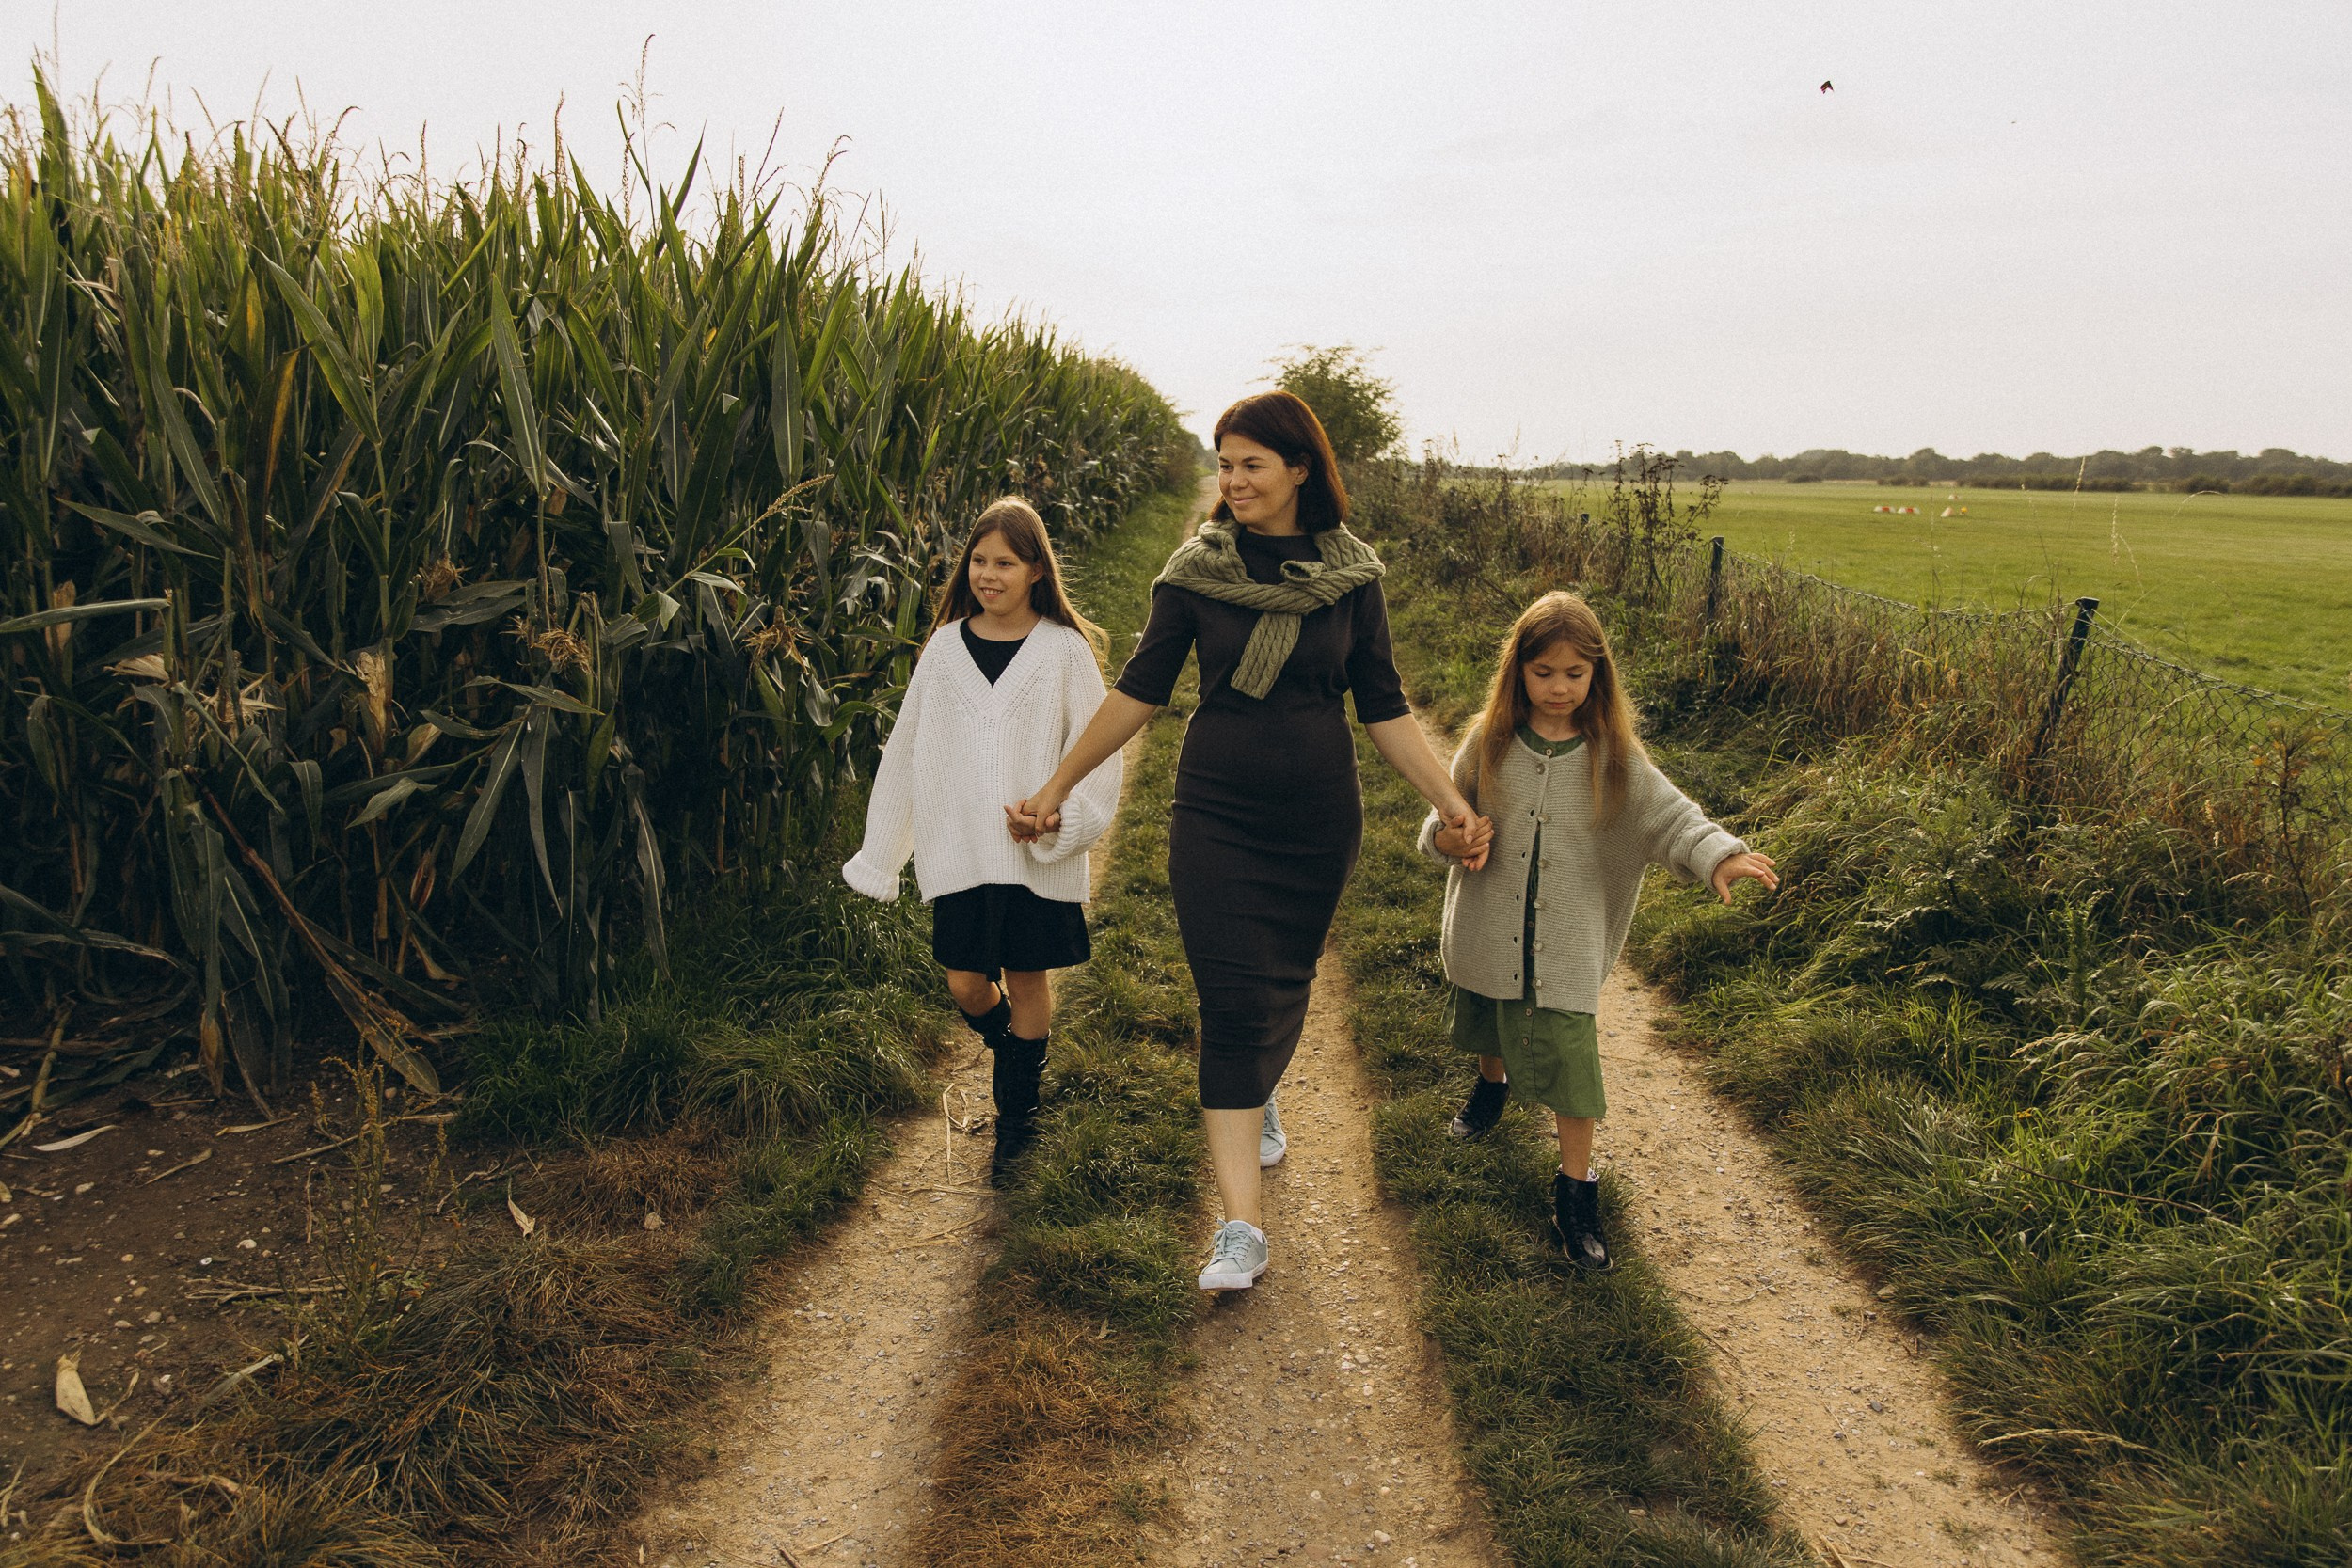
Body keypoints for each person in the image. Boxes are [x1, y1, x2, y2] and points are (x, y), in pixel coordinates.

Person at [1008, 391, 1493, 1292]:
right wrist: (1056, 785)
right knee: (1232, 1007)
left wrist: (1451, 803)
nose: (1231, 480)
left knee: (1283, 986)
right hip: (1216, 812)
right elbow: (1139, 690)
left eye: (1251, 464)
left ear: (1301, 468)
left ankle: (1260, 1084)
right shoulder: (1196, 573)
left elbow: (1384, 705)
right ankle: (1242, 1230)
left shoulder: (1353, 577)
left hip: (1316, 819)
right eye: (1225, 464)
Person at [1422, 590, 1778, 1269]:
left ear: (1598, 674)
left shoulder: (1613, 757)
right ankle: (1491, 1085)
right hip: (1489, 928)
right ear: (1518, 671)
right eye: (1543, 672)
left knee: (1570, 1064)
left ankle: (1575, 1192)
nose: (1559, 688)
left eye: (1574, 673)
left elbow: (1671, 817)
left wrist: (1718, 855)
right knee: (1487, 1015)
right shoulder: (1488, 742)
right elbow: (1442, 817)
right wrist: (1449, 838)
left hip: (1564, 951)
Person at [844, 497, 1122, 1186]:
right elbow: (908, 752)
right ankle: (1015, 1052)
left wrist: (1062, 819)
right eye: (978, 560)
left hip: (1035, 856)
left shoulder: (1064, 651)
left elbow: (1101, 752)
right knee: (967, 984)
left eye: (1005, 563)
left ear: (1036, 570)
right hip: (961, 850)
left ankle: (1018, 1118)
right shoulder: (944, 650)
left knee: (1027, 979)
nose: (988, 575)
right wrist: (883, 855)